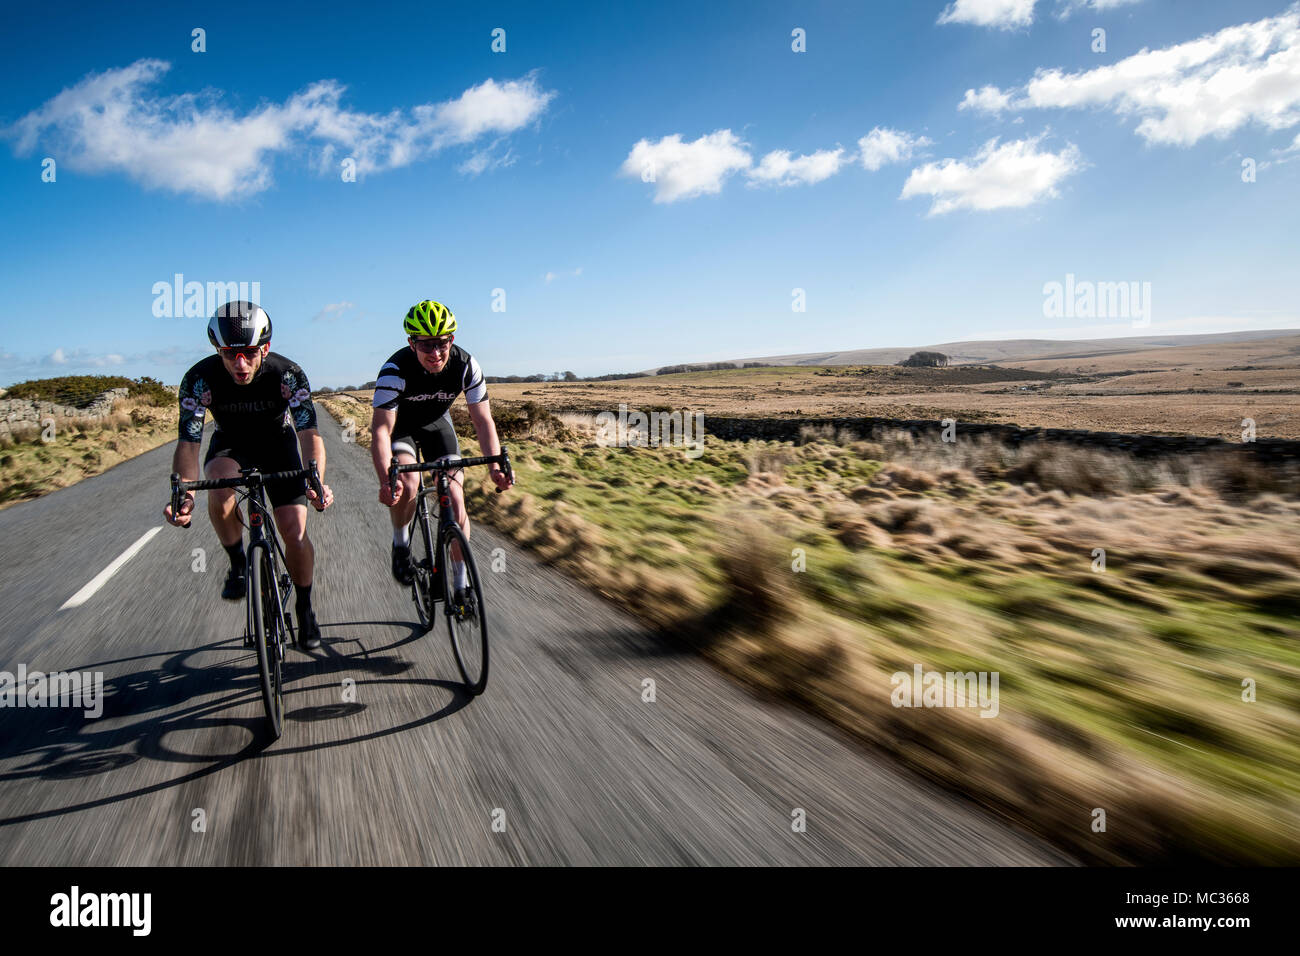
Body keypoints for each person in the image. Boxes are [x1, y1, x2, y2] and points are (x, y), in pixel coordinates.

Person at [163, 300, 334, 649]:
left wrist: (316, 480)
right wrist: (186, 496)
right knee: (218, 484)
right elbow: (189, 444)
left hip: (279, 446)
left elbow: (309, 434)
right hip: (231, 446)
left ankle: (305, 608)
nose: (240, 364)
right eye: (230, 354)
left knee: (294, 531)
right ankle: (238, 563)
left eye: (250, 353)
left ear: (265, 348)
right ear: (218, 350)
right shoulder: (199, 379)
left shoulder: (288, 374)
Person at [369, 300, 512, 608]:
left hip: (437, 426)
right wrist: (385, 479)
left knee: (456, 498)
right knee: (408, 483)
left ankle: (461, 586)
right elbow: (380, 430)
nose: (435, 353)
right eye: (426, 345)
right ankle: (400, 543)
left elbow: (482, 421)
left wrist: (494, 467)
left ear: (452, 339)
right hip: (402, 428)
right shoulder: (394, 370)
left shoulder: (466, 365)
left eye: (442, 343)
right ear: (412, 343)